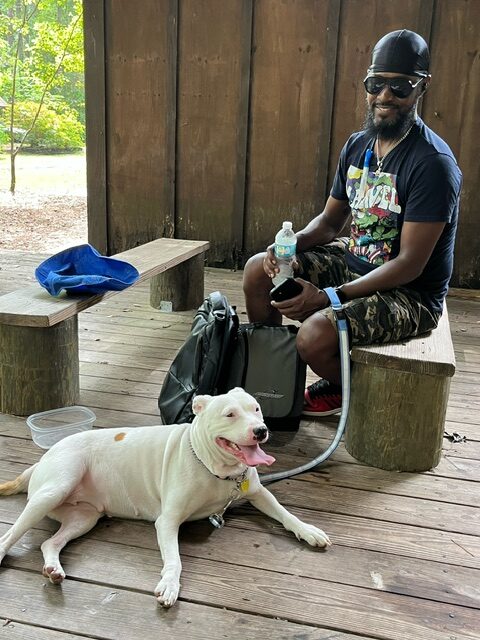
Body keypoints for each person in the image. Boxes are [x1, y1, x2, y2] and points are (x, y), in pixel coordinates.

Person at [242, 29, 462, 417]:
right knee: (257, 269)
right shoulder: (358, 146)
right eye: (376, 83)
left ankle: (352, 391)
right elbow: (329, 223)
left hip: (410, 294)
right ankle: (268, 375)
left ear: (421, 88)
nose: (385, 96)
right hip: (355, 262)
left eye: (400, 86)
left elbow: (410, 264)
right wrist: (285, 250)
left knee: (313, 336)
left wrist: (328, 297)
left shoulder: (432, 165)